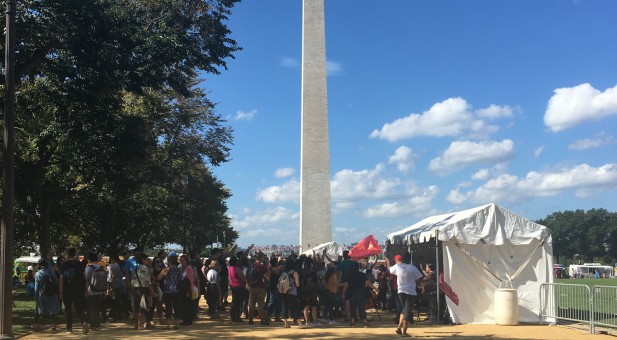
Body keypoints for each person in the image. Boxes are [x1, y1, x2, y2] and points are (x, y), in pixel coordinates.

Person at [386, 253, 423, 337]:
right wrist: (421, 285)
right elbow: (418, 279)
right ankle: (404, 332)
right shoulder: (412, 268)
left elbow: (389, 269)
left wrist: (387, 262)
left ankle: (399, 327)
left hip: (400, 291)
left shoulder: (397, 266)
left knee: (404, 309)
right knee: (407, 311)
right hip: (410, 291)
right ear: (410, 259)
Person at [59, 247, 88, 334]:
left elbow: (61, 279)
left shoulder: (64, 264)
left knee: (68, 309)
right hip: (78, 289)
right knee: (79, 308)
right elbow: (85, 277)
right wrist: (85, 289)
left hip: (67, 289)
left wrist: (60, 291)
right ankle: (83, 322)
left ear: (67, 255)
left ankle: (69, 328)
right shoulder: (79, 263)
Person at [342, 261, 377, 328]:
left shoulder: (349, 275)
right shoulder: (362, 274)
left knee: (352, 308)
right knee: (361, 308)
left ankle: (352, 323)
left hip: (351, 294)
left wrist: (343, 293)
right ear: (358, 267)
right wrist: (375, 288)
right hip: (361, 294)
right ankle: (365, 323)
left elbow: (346, 285)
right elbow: (368, 283)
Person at [33, 258, 61, 331]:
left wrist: (36, 296)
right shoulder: (51, 271)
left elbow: (37, 286)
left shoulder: (37, 274)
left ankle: (36, 323)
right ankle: (53, 324)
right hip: (51, 292)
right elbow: (55, 281)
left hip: (42, 293)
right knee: (52, 308)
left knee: (38, 307)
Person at [157, 252, 181, 330]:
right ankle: (177, 324)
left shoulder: (166, 269)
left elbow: (159, 278)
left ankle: (168, 325)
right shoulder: (178, 269)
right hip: (176, 290)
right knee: (177, 307)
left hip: (167, 291)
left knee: (168, 308)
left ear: (170, 261)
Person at [85, 252, 107, 331]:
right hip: (100, 290)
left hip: (92, 290)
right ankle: (96, 323)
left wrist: (85, 290)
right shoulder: (101, 266)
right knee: (97, 307)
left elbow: (86, 280)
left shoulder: (89, 268)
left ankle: (95, 325)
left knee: (92, 308)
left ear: (89, 259)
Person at [247, 251, 270, 325]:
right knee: (260, 304)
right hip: (260, 286)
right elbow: (268, 275)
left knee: (251, 304)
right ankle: (262, 320)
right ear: (261, 258)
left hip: (252, 286)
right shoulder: (261, 266)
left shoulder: (251, 266)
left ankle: (250, 320)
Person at [228, 256, 246, 322]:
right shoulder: (236, 268)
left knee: (234, 301)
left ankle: (232, 315)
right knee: (238, 302)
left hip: (233, 285)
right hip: (239, 286)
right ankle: (237, 316)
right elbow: (242, 277)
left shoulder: (230, 268)